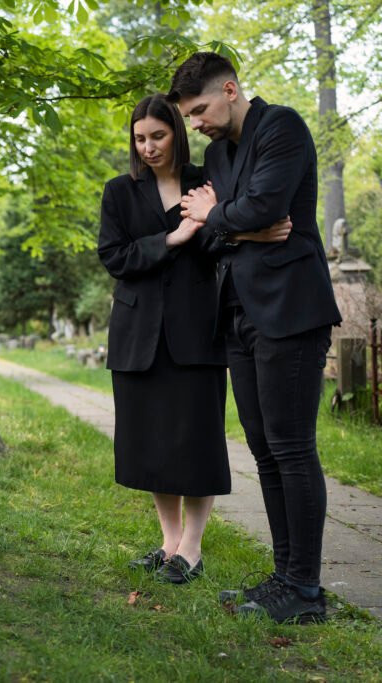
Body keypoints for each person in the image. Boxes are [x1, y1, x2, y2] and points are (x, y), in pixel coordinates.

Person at [170, 52, 342, 623]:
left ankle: (306, 592)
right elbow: (213, 236)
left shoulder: (282, 127)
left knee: (292, 449)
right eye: (189, 116)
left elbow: (266, 206)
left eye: (200, 110)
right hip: (238, 315)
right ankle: (284, 577)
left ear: (231, 88)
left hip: (291, 310)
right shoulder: (219, 153)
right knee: (265, 452)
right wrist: (235, 221)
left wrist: (223, 212)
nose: (195, 124)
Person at [99, 94, 291, 585]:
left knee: (196, 441)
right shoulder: (119, 191)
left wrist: (246, 234)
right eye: (140, 138)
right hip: (138, 337)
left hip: (198, 329)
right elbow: (114, 257)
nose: (148, 147)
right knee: (154, 445)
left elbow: (222, 238)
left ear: (177, 134)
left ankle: (193, 547)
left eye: (158, 136)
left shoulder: (206, 181)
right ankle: (168, 543)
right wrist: (170, 239)